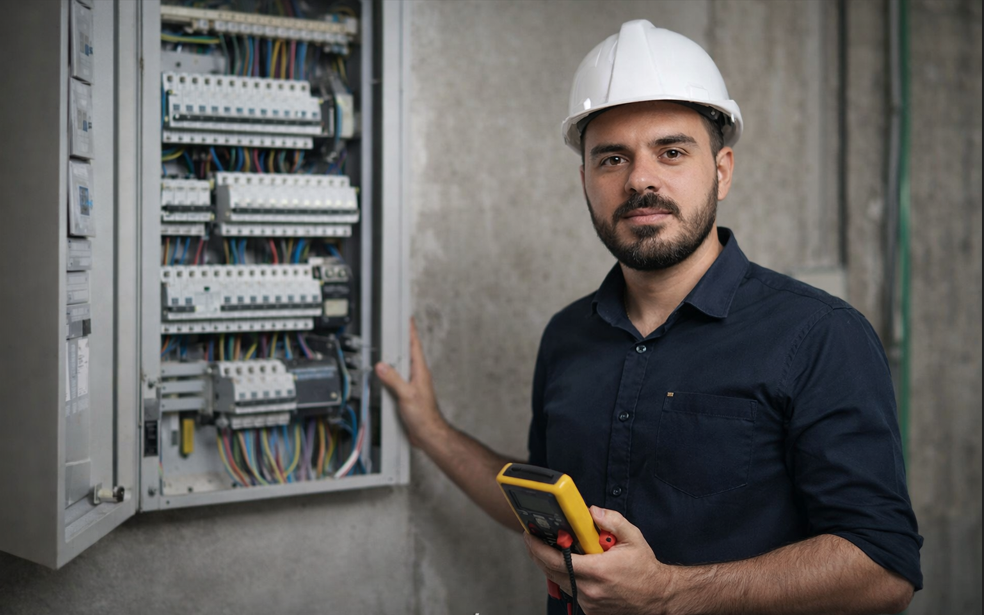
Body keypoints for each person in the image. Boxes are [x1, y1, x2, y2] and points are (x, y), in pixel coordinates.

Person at [375, 19, 922, 615]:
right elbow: (555, 508)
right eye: (612, 158)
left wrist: (669, 593)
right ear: (585, 180)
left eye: (672, 151)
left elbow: (883, 566)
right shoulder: (567, 336)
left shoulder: (819, 335)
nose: (640, 179)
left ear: (722, 170)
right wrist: (429, 429)